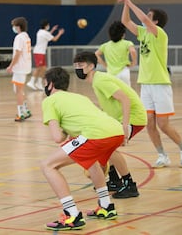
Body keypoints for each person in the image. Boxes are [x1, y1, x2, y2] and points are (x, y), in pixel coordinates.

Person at [41, 67, 124, 231]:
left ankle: (71, 214)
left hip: (95, 135)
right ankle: (106, 207)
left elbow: (58, 138)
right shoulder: (79, 97)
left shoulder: (49, 101)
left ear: (50, 84)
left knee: (48, 165)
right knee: (91, 162)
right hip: (116, 131)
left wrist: (63, 129)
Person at [117, 0, 182, 168]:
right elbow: (126, 22)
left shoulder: (159, 34)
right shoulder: (143, 33)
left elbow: (143, 19)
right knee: (149, 123)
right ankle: (162, 155)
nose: (146, 17)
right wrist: (126, 5)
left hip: (160, 84)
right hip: (146, 84)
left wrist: (130, 0)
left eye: (150, 16)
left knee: (163, 124)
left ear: (156, 21)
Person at [73, 51, 147, 198]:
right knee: (103, 144)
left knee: (110, 147)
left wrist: (125, 125)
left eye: (81, 65)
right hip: (119, 119)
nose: (77, 69)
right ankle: (114, 181)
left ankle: (129, 185)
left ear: (91, 66)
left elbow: (125, 99)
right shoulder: (97, 80)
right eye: (75, 66)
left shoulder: (100, 80)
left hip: (134, 118)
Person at [95, 20, 137, 86]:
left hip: (111, 74)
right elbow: (133, 51)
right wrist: (134, 63)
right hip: (124, 72)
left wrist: (104, 65)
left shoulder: (105, 46)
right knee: (127, 93)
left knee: (114, 93)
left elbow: (96, 54)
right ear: (123, 34)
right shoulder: (127, 43)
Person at [6, 17, 32, 122]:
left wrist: (11, 66)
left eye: (14, 26)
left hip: (20, 68)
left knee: (18, 91)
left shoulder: (19, 37)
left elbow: (18, 53)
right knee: (18, 90)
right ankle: (25, 110)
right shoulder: (26, 36)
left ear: (18, 26)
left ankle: (21, 113)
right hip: (25, 66)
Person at [27, 19, 64, 90]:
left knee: (43, 68)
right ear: (46, 26)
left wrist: (53, 30)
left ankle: (38, 82)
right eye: (48, 25)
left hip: (41, 52)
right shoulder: (44, 33)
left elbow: (48, 35)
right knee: (38, 68)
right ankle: (31, 82)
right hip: (39, 52)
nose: (49, 26)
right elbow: (54, 39)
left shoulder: (41, 32)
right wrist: (60, 33)